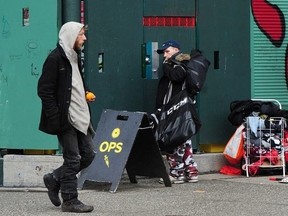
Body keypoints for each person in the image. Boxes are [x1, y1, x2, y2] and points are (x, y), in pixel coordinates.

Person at [37, 21, 96, 213]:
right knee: (73, 159)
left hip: (80, 115)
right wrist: (56, 119)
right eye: (81, 35)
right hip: (65, 118)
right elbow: (44, 90)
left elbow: (75, 84)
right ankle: (70, 200)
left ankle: (53, 179)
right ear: (71, 35)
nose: (84, 38)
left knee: (88, 154)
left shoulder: (74, 57)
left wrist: (85, 92)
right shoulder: (55, 59)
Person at [155, 40, 199, 184]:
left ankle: (177, 173)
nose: (164, 56)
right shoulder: (177, 64)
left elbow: (176, 76)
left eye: (167, 51)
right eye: (163, 53)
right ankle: (190, 172)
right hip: (177, 108)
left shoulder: (181, 63)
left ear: (176, 50)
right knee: (184, 139)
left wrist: (167, 65)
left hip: (178, 108)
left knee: (173, 139)